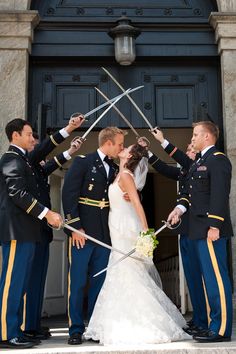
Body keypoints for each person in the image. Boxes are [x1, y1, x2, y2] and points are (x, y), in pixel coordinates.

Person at [84, 143, 190, 345]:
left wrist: (145, 232)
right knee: (122, 269)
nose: (122, 148)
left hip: (127, 227)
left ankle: (139, 321)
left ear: (131, 155)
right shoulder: (119, 172)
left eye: (126, 147)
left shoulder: (125, 175)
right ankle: (118, 319)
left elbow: (136, 203)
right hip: (117, 225)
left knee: (128, 270)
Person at [168, 121, 233, 342]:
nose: (192, 138)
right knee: (209, 281)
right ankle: (213, 324)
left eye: (196, 135)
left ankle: (221, 329)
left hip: (210, 229)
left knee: (216, 280)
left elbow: (219, 194)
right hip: (198, 230)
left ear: (207, 137)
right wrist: (178, 209)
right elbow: (190, 193)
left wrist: (215, 225)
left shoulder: (218, 160)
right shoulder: (199, 163)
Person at [0, 118, 62, 349]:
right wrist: (47, 214)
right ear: (15, 135)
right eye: (29, 135)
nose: (33, 139)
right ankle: (6, 334)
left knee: (22, 283)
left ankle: (15, 330)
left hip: (27, 231)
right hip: (17, 231)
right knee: (12, 283)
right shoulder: (11, 160)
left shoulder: (23, 161)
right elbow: (18, 193)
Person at [22, 115, 85, 340]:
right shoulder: (25, 160)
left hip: (42, 232)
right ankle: (24, 327)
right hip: (28, 231)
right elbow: (45, 153)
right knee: (28, 280)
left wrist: (71, 151)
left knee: (38, 281)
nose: (36, 147)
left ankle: (33, 324)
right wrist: (68, 128)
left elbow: (50, 165)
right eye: (33, 142)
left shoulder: (36, 167)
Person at [62, 127, 126, 345]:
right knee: (78, 282)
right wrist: (74, 227)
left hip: (104, 235)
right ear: (108, 143)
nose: (121, 148)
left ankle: (95, 327)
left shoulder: (115, 167)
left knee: (99, 282)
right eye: (119, 144)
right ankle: (75, 329)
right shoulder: (82, 162)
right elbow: (68, 194)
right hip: (83, 232)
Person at [145, 130, 208, 334]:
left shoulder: (198, 166)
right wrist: (148, 153)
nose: (188, 152)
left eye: (190, 149)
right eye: (188, 149)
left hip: (197, 231)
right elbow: (164, 169)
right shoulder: (185, 172)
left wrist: (162, 141)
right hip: (184, 231)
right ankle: (198, 318)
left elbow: (179, 157)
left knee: (200, 276)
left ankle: (204, 319)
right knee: (190, 277)